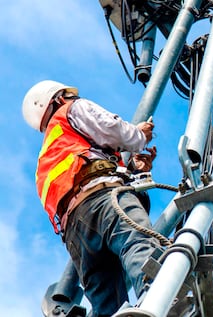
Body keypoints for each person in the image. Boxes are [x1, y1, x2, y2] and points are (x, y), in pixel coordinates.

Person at [22, 80, 159, 317]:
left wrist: (133, 168)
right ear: (58, 98)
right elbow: (110, 128)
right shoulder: (71, 110)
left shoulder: (48, 154)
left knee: (107, 298)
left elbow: (82, 167)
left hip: (76, 231)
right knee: (138, 242)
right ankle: (162, 298)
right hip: (103, 200)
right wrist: (139, 135)